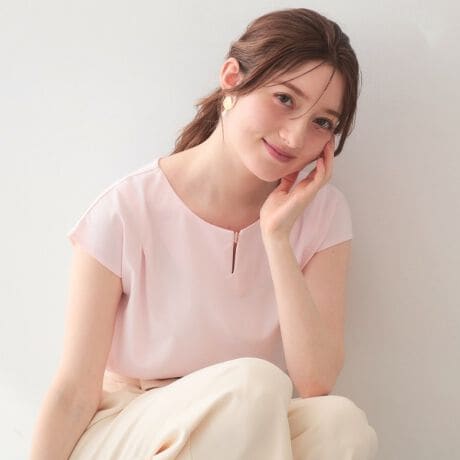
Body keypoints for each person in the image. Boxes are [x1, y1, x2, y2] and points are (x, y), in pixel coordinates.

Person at [29, 7, 378, 460]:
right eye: (285, 99)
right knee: (253, 387)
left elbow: (316, 381)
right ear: (232, 78)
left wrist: (276, 237)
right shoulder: (126, 209)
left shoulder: (322, 214)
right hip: (128, 427)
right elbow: (74, 391)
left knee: (340, 426)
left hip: (247, 425)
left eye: (322, 123)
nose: (295, 137)